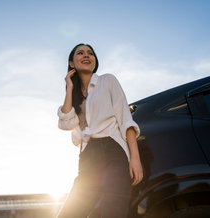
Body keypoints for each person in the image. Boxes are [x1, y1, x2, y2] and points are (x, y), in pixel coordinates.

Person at [56, 43, 143, 218]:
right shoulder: (74, 96)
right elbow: (65, 123)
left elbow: (125, 120)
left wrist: (135, 158)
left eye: (90, 53)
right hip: (88, 155)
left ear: (95, 60)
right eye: (80, 53)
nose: (86, 56)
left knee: (112, 211)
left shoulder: (108, 81)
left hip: (113, 149)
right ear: (72, 63)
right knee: (70, 213)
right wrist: (69, 87)